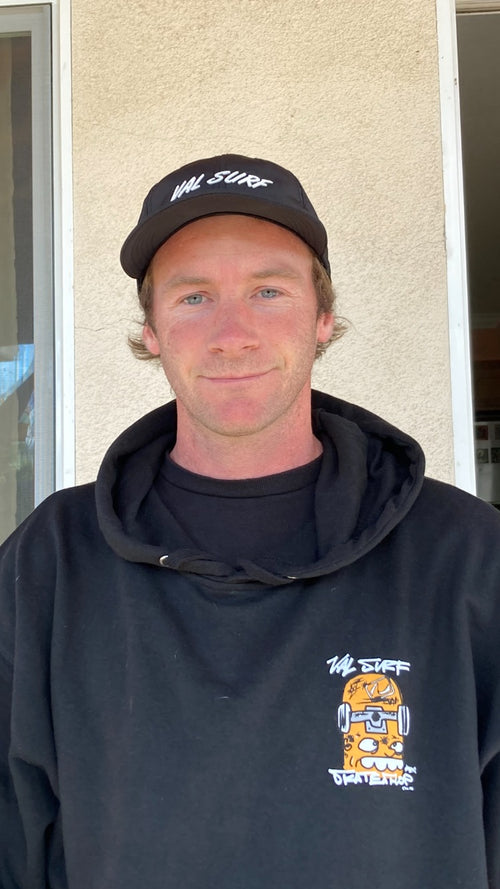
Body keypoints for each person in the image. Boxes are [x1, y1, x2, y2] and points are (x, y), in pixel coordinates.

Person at [1, 153, 499, 889]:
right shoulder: (52, 562)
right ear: (150, 330)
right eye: (194, 296)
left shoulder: (466, 558)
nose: (233, 332)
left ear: (323, 318)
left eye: (268, 290)